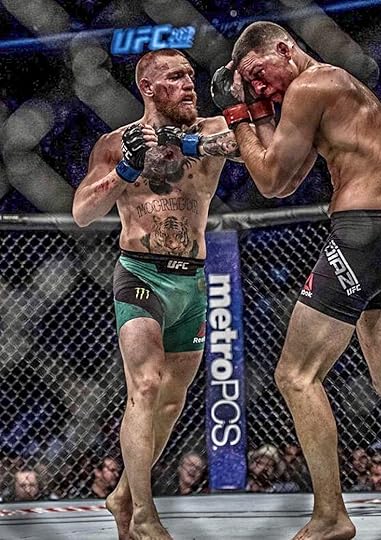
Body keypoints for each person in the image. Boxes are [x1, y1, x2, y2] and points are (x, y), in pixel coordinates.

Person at [209, 21, 381, 540]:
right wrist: (241, 119)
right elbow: (283, 172)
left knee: (296, 375)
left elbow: (270, 181)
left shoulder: (310, 86)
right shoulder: (333, 88)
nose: (260, 87)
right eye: (252, 83)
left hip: (359, 236)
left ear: (284, 49)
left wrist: (238, 111)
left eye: (259, 74)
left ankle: (330, 514)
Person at [72, 48, 241, 540]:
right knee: (145, 386)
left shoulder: (210, 131)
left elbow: (254, 144)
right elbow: (82, 212)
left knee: (170, 401)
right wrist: (126, 169)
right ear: (148, 87)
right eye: (175, 76)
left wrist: (183, 140)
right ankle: (144, 515)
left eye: (190, 74)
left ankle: (124, 494)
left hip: (192, 280)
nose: (189, 83)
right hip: (140, 276)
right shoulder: (115, 142)